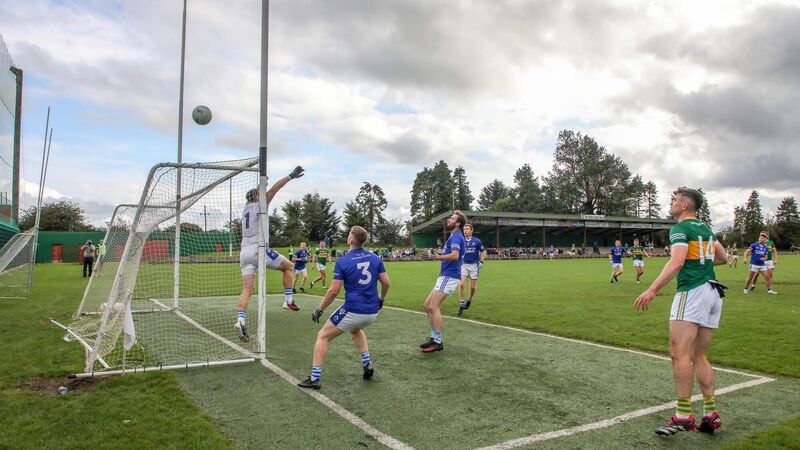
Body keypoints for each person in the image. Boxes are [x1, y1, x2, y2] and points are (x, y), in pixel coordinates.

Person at [634, 187, 727, 436]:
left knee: (679, 353)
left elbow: (676, 262)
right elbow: (723, 257)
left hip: (693, 292)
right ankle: (710, 414)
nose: (672, 203)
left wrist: (652, 289)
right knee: (700, 355)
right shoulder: (706, 229)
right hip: (713, 291)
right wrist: (701, 262)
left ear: (685, 205)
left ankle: (683, 415)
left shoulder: (680, 229)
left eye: (675, 200)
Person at [298, 226, 390, 389]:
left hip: (354, 310)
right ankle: (367, 363)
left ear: (351, 240)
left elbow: (333, 291)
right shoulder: (376, 258)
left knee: (322, 336)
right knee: (355, 330)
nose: (347, 236)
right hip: (372, 312)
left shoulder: (344, 261)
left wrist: (319, 309)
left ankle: (314, 378)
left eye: (349, 234)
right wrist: (381, 299)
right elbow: (386, 283)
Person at [235, 166, 304, 342]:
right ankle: (288, 301)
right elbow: (275, 189)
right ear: (256, 196)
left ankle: (240, 319)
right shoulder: (259, 205)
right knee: (288, 266)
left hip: (244, 253)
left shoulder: (245, 211)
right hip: (259, 250)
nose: (263, 194)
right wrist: (290, 176)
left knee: (247, 289)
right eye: (260, 192)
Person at [420, 210, 466, 353]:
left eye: (452, 218)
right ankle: (434, 338)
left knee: (433, 307)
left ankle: (438, 341)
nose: (449, 220)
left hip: (450, 275)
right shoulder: (453, 236)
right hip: (445, 275)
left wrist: (436, 257)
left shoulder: (457, 237)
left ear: (457, 223)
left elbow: (454, 255)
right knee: (427, 306)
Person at [458, 223, 487, 316]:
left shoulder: (477, 241)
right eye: (464, 229)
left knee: (472, 287)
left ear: (471, 230)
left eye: (467, 229)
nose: (465, 231)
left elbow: (484, 252)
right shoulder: (461, 241)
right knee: (462, 284)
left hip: (474, 266)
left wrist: (481, 262)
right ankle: (462, 303)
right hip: (463, 265)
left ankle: (469, 299)